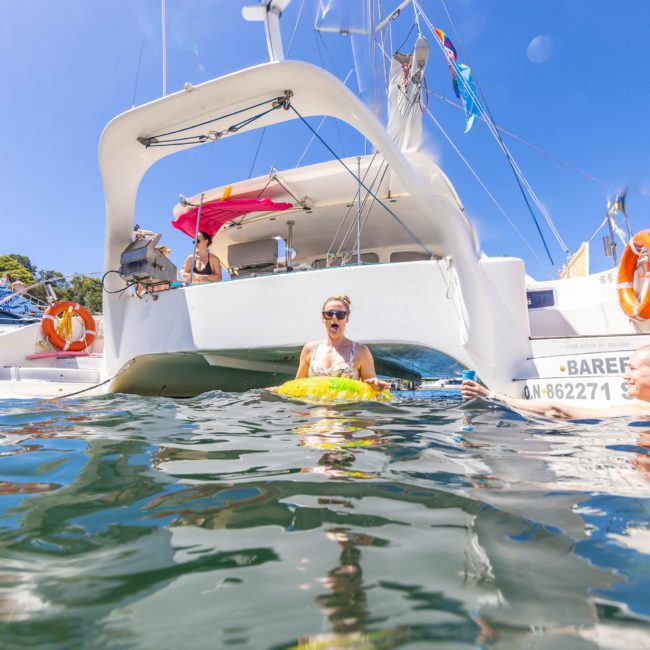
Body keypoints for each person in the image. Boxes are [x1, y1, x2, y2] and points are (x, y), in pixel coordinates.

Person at [461, 344, 650, 419]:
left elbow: (556, 411)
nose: (625, 375)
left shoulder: (640, 411)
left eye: (632, 369)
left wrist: (491, 395)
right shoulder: (638, 407)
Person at [294, 295, 391, 392]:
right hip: (314, 407)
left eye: (340, 315)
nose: (334, 318)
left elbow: (373, 390)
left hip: (347, 406)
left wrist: (378, 388)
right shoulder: (310, 349)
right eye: (329, 314)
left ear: (347, 318)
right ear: (323, 318)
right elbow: (295, 388)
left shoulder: (361, 352)